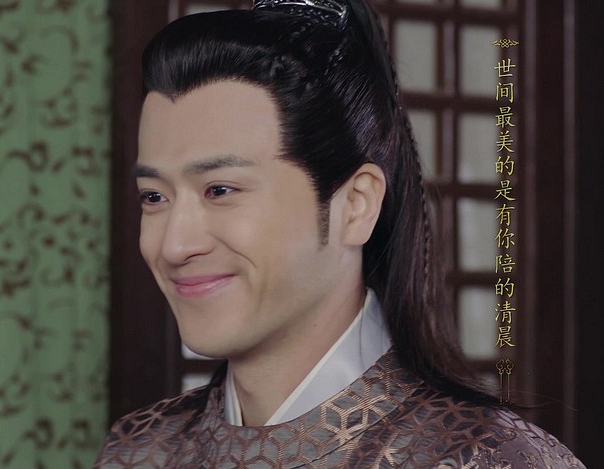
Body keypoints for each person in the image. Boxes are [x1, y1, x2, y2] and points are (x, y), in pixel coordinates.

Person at [95, 0, 585, 467]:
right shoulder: (138, 453)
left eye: (219, 190)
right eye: (153, 197)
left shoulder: (487, 458)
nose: (175, 245)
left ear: (356, 204)